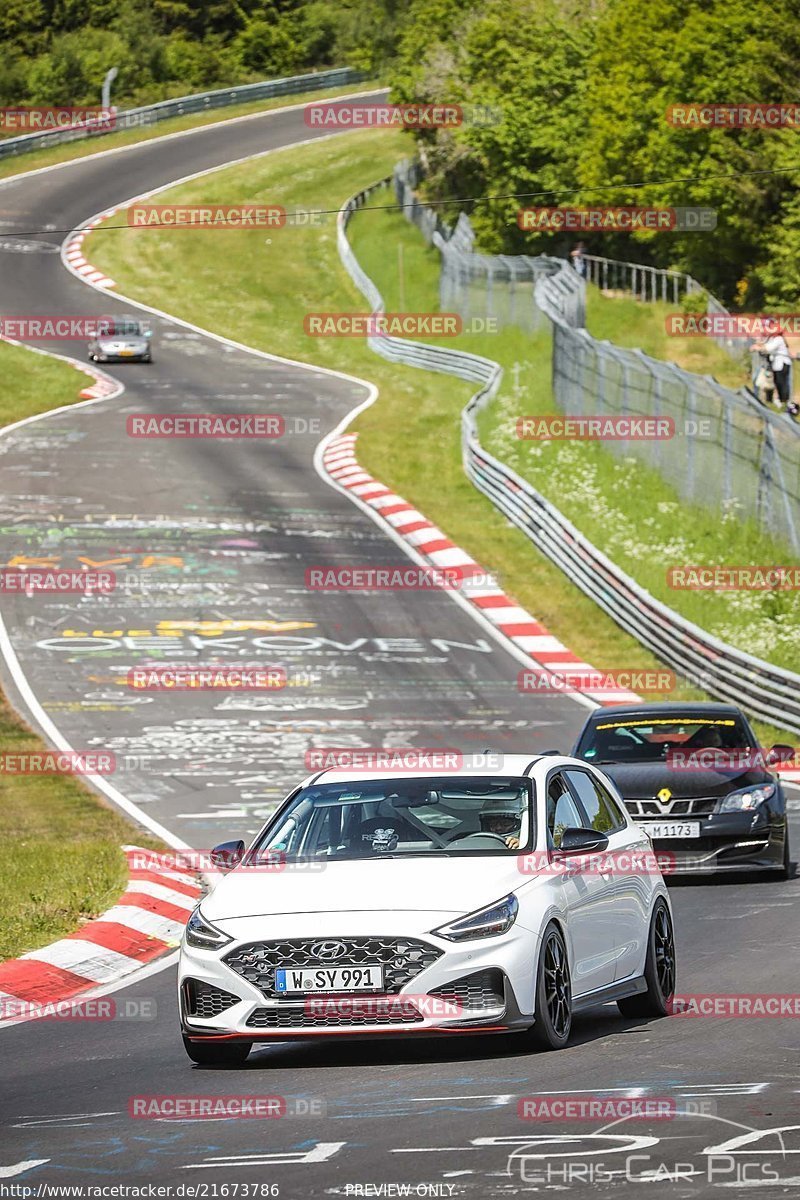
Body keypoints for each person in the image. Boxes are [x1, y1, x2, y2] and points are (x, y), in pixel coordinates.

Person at [753, 330, 795, 412]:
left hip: (782, 365)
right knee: (777, 383)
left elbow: (768, 348)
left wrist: (756, 347)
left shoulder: (778, 339)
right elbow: (766, 346)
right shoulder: (774, 339)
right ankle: (779, 402)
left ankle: (784, 404)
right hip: (777, 365)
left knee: (782, 384)